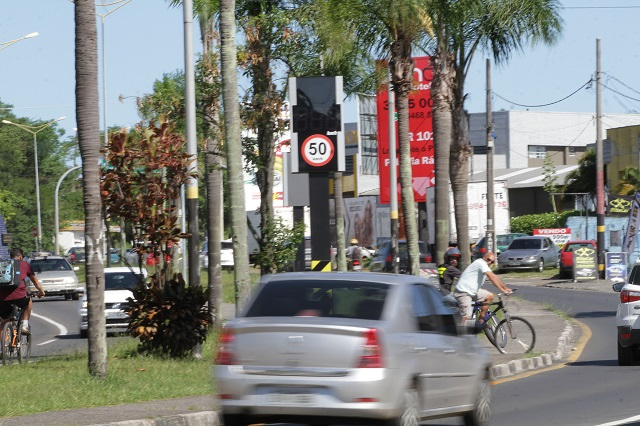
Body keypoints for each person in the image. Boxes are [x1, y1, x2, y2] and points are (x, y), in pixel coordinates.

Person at [453, 252, 512, 323]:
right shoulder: (480, 263)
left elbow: (495, 276)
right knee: (467, 317)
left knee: (489, 296)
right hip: (463, 292)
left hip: (472, 291)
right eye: (488, 259)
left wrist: (505, 288)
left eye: (492, 261)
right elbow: (491, 277)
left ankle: (481, 320)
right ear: (484, 257)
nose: (489, 262)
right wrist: (502, 290)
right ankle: (464, 333)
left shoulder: (485, 267)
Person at [0, 248, 45, 334]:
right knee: (29, 300)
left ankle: (2, 345)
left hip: (2, 298)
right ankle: (25, 325)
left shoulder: (2, 265)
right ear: (20, 257)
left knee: (4, 321)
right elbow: (35, 281)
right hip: (19, 296)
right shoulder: (25, 265)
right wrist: (41, 292)